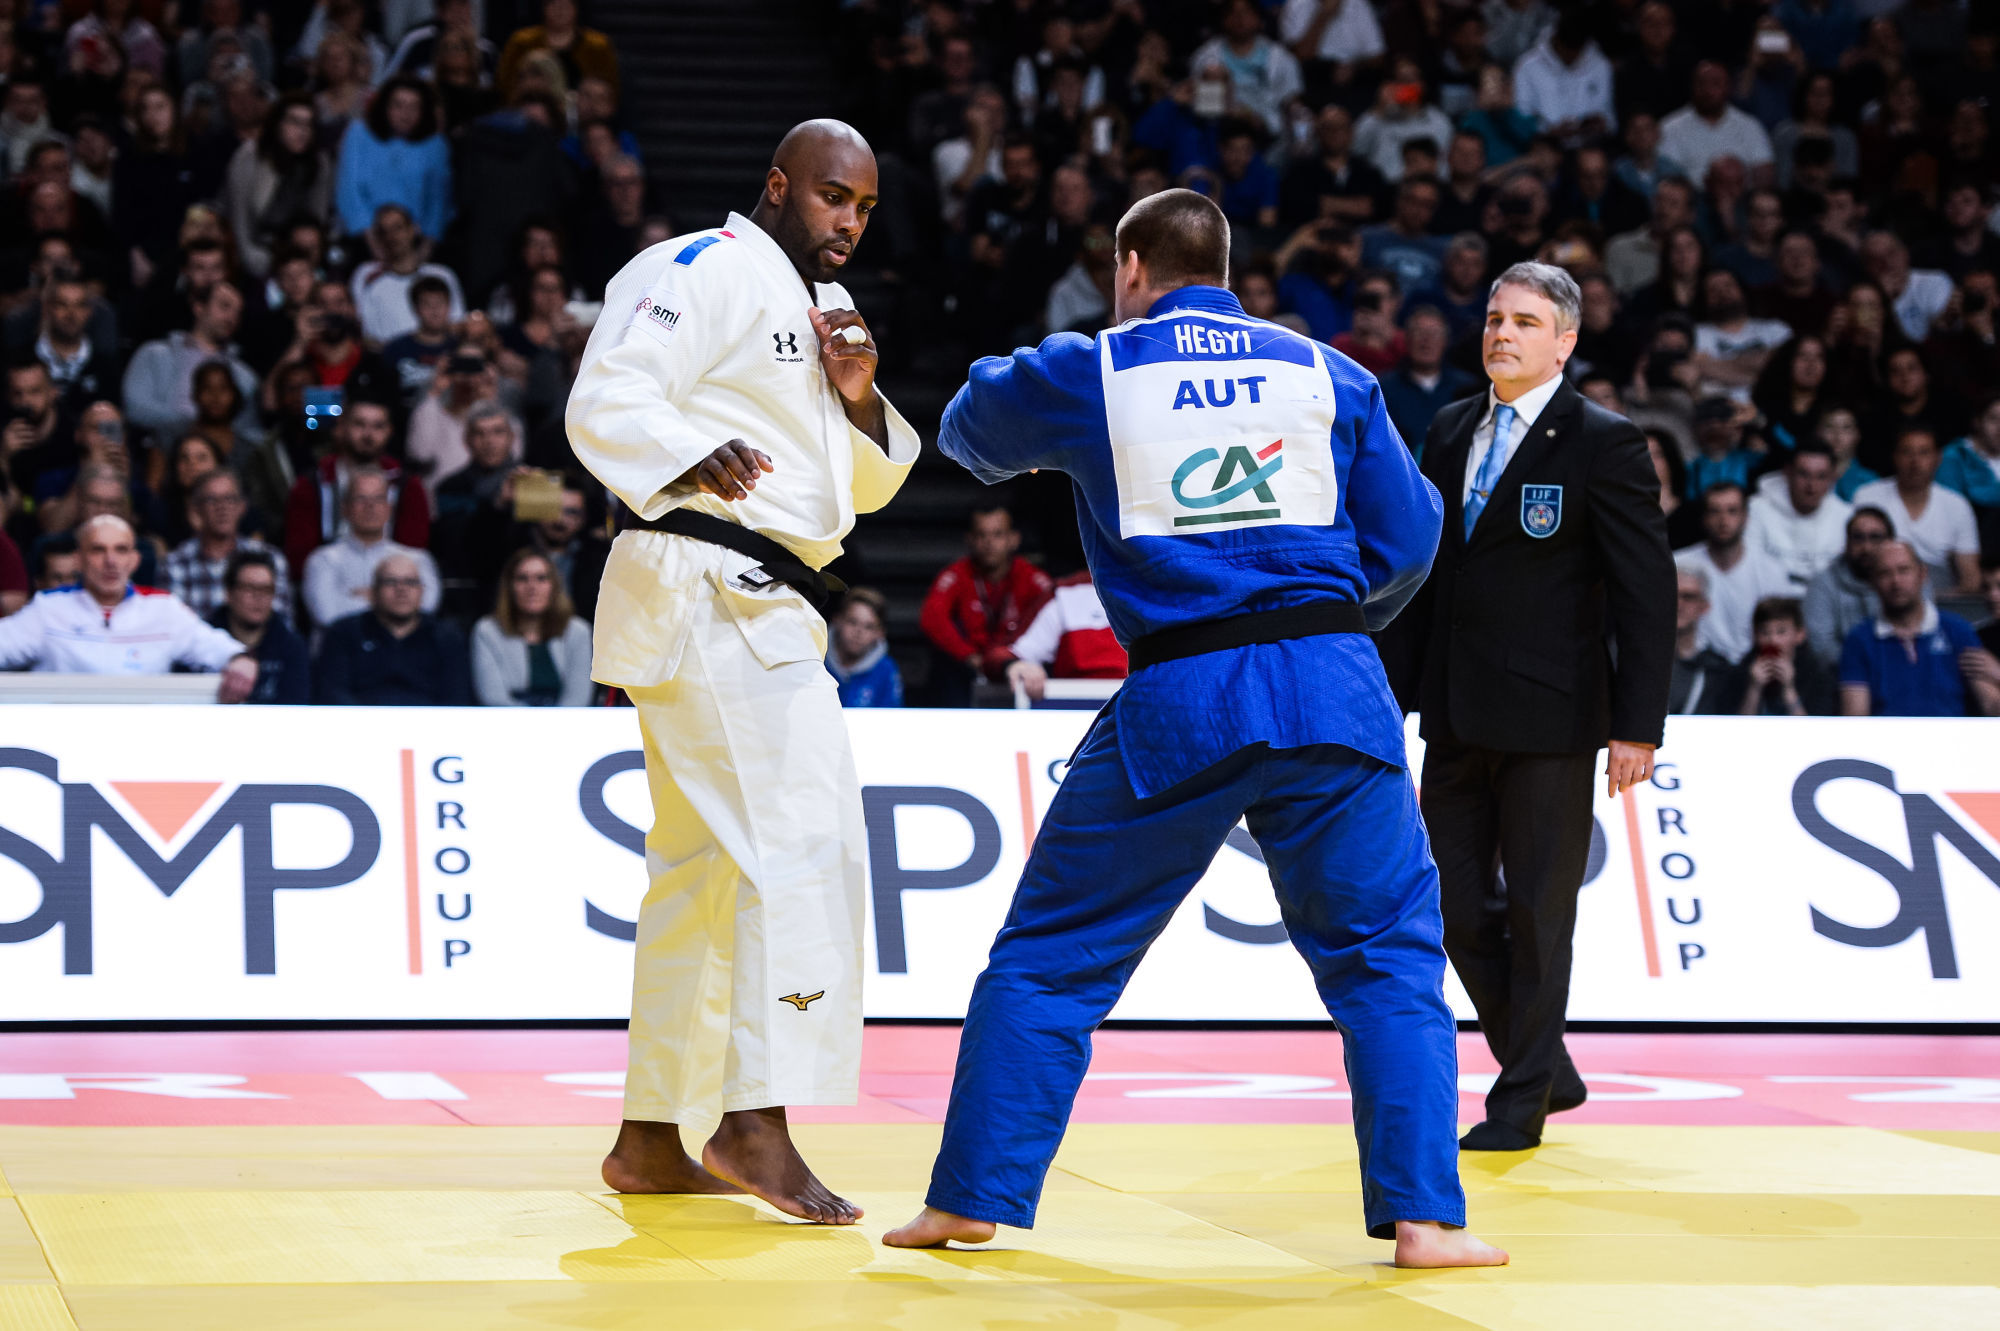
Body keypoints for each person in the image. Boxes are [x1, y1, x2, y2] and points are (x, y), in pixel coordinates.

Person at [881, 188, 1497, 1267]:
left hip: (1184, 691)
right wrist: (1332, 618)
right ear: (1228, 262)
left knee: (1051, 958)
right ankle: (1426, 1221)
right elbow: (1410, 538)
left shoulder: (1098, 368)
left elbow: (966, 433)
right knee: (1389, 961)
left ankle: (968, 1199)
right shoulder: (1328, 372)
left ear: (1129, 265)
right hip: (1331, 685)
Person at [567, 121, 920, 1225]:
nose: (847, 222)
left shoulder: (818, 317)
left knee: (703, 878)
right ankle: (754, 1119)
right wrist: (681, 453)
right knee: (799, 844)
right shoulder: (704, 268)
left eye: (861, 206)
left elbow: (859, 492)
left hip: (750, 595)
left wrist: (857, 396)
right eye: (829, 197)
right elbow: (608, 392)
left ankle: (648, 1132)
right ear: (776, 186)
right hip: (712, 585)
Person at [1406, 261, 1675, 1153]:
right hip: (1453, 711)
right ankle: (1546, 1059)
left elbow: (1646, 591)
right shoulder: (1448, 429)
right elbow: (1425, 579)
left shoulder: (1603, 440)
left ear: (1565, 340)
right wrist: (1392, 693)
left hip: (1554, 721)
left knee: (1536, 912)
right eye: (1493, 318)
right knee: (1451, 910)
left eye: (1525, 321)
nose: (1502, 334)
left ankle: (1520, 1100)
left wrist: (1637, 724)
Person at [0, 513, 255, 698]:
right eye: (98, 550)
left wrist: (241, 661)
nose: (111, 561)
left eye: (121, 550)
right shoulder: (49, 608)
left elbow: (221, 649)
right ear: (79, 560)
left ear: (134, 561)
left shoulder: (163, 608)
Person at [1839, 540, 2000, 718]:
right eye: (1885, 573)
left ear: (1922, 574)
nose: (1896, 581)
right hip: (1885, 743)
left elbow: (1990, 704)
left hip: (1950, 742)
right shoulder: (1859, 640)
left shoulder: (1958, 630)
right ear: (1873, 581)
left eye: (1904, 570)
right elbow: (1855, 718)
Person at [919, 507, 1054, 706]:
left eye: (998, 534)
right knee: (944, 664)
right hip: (970, 667)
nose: (989, 543)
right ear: (970, 539)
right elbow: (932, 618)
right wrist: (968, 655)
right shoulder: (957, 574)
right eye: (981, 535)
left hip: (1018, 663)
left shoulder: (1032, 578)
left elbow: (1053, 613)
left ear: (1014, 539)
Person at [282, 397, 430, 573]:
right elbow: (299, 556)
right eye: (359, 424)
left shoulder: (407, 485)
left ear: (390, 431)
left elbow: (413, 552)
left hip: (391, 580)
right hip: (327, 578)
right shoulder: (311, 483)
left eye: (378, 426)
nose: (368, 434)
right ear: (342, 426)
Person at [312, 553, 472, 705]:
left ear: (422, 591)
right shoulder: (344, 633)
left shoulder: (446, 637)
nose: (401, 589)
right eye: (390, 581)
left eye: (410, 582)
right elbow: (332, 694)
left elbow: (456, 698)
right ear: (373, 591)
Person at [300, 468, 440, 629]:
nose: (370, 506)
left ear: (389, 508)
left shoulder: (417, 559)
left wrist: (368, 596)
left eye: (378, 499)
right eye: (361, 499)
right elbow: (327, 615)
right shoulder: (322, 560)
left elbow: (426, 610)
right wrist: (391, 601)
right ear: (345, 509)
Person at [1851, 426, 1982, 596]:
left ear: (1938, 458)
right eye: (1907, 452)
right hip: (1875, 596)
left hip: (1941, 600)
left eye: (1924, 452)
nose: (1915, 461)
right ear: (1894, 456)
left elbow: (1971, 580)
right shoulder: (1867, 497)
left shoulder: (1957, 506)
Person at [119, 281, 259, 439]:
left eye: (238, 313)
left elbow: (250, 432)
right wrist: (190, 426)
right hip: (160, 444)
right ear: (199, 307)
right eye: (224, 306)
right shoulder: (154, 354)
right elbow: (135, 407)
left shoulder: (245, 377)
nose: (231, 318)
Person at [1675, 482, 1795, 663]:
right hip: (1694, 667)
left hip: (1754, 666)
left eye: (1732, 511)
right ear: (1704, 517)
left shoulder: (1771, 571)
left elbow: (1781, 633)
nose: (1723, 520)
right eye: (1715, 511)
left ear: (1746, 517)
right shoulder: (1678, 564)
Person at [334, 75, 452, 242]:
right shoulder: (358, 133)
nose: (406, 113)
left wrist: (423, 250)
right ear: (384, 106)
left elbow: (437, 202)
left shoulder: (436, 145)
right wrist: (372, 240)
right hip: (362, 237)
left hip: (415, 241)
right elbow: (349, 190)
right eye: (398, 105)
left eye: (414, 107)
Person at [163, 468, 293, 620]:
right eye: (212, 500)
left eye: (229, 499)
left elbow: (281, 624)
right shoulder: (175, 564)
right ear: (196, 509)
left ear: (242, 506)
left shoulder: (271, 559)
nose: (222, 507)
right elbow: (172, 629)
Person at [470, 547, 593, 706]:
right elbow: (493, 697)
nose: (532, 587)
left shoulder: (578, 631)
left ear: (554, 586)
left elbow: (578, 698)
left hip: (566, 724)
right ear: (509, 587)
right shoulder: (487, 631)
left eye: (541, 578)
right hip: (507, 724)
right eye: (522, 578)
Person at [998, 570, 1129, 703]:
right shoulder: (1066, 594)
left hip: (1145, 709)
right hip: (1076, 713)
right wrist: (1017, 665)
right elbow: (1003, 655)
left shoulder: (1150, 592)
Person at [350, 203, 467, 345]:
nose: (391, 236)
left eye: (397, 228)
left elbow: (457, 324)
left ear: (413, 229)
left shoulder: (442, 275)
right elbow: (363, 332)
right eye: (384, 231)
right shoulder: (367, 275)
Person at [1746, 441, 1851, 591]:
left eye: (1821, 476)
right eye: (1804, 474)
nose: (1811, 486)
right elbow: (1749, 569)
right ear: (1787, 472)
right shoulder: (1756, 509)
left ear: (1832, 477)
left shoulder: (1846, 517)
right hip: (1769, 603)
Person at [1713, 595, 1839, 716]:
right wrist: (1754, 688)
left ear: (1800, 634)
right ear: (1755, 636)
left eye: (1781, 632)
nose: (1773, 640)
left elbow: (1817, 734)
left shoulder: (1818, 675)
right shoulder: (1740, 672)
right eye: (1765, 632)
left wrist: (1788, 690)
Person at [211, 548, 308, 703]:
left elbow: (297, 708)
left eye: (266, 589)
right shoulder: (203, 643)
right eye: (249, 588)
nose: (259, 597)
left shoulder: (292, 647)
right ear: (228, 593)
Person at [1380, 306, 1477, 460]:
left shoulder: (1468, 389)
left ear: (1446, 340)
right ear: (1406, 338)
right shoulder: (1383, 389)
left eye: (1434, 333)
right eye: (1419, 332)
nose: (1426, 340)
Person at [1803, 505, 1893, 664]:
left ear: (1891, 542)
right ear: (1846, 543)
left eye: (1875, 537)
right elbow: (1821, 647)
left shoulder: (1907, 578)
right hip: (1841, 677)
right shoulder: (1823, 583)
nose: (1867, 547)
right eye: (1858, 538)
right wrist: (1867, 667)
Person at [1667, 567, 1732, 713]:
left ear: (1704, 606)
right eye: (1672, 595)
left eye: (1688, 597)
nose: (1679, 604)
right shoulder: (1632, 657)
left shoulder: (1717, 669)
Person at [825, 586, 902, 707]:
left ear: (880, 633)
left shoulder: (886, 670)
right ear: (837, 620)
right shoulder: (815, 660)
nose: (858, 632)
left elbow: (891, 718)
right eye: (852, 622)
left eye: (869, 627)